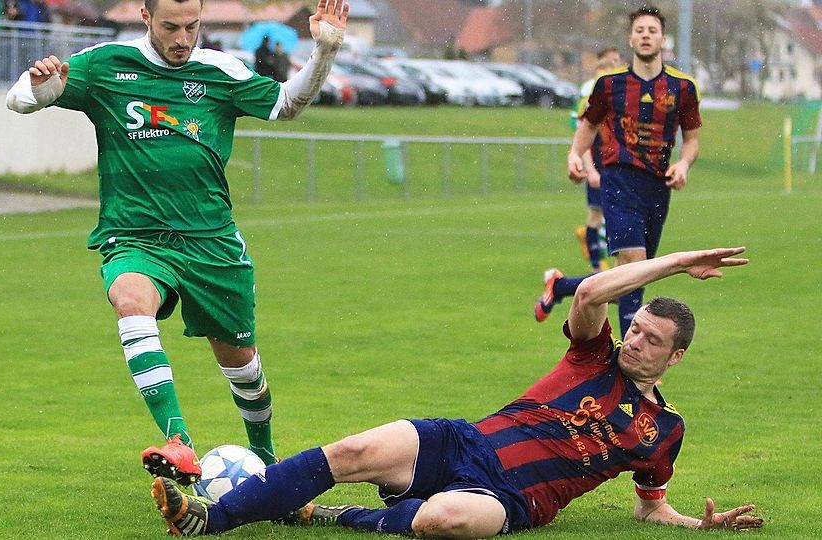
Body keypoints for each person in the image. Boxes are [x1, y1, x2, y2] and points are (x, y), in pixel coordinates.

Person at [150, 246, 763, 537]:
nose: (634, 342)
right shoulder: (591, 354)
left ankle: (334, 514)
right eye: (635, 328)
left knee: (444, 519)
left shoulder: (665, 431)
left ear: (676, 356)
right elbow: (586, 295)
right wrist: (675, 263)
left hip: (513, 498)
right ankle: (211, 518)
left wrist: (695, 525)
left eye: (652, 340)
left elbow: (648, 504)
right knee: (354, 452)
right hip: (462, 441)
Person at [5, 0, 349, 485]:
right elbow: (18, 98)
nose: (183, 38)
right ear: (146, 18)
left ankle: (267, 462)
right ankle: (179, 443)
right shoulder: (107, 65)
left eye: (192, 26)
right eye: (171, 27)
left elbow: (285, 104)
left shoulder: (217, 71)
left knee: (240, 362)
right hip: (136, 235)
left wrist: (325, 52)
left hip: (210, 241)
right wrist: (43, 90)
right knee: (130, 299)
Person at [536, 6, 701, 338]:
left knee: (634, 274)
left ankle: (562, 286)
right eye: (639, 30)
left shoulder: (682, 88)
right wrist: (575, 154)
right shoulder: (609, 84)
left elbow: (693, 138)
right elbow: (589, 125)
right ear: (631, 38)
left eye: (652, 30)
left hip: (657, 186)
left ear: (662, 39)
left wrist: (682, 164)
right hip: (618, 180)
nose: (645, 35)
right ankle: (628, 354)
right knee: (635, 264)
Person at [569, 47, 622, 274]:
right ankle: (596, 265)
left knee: (614, 214)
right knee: (598, 213)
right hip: (599, 163)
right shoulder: (590, 92)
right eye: (608, 62)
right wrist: (590, 169)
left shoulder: (624, 87)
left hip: (617, 164)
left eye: (617, 60)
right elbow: (583, 131)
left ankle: (608, 260)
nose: (614, 65)